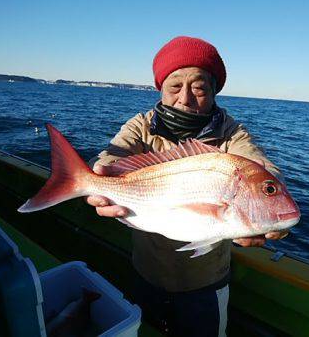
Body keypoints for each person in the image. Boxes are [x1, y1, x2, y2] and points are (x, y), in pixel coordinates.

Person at [86, 36, 289, 337]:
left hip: (205, 286)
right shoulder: (141, 126)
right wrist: (95, 177)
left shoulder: (231, 134)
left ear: (214, 91)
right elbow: (111, 156)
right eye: (174, 86)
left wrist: (273, 207)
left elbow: (261, 167)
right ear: (161, 89)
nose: (185, 98)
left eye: (199, 88)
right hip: (146, 274)